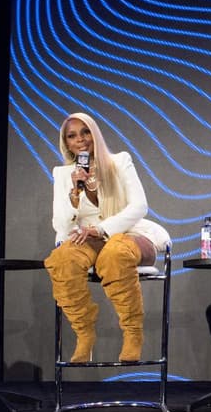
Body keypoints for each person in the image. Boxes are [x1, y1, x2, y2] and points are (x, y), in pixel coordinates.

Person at [43, 113, 170, 363]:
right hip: (88, 238)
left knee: (115, 253)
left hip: (130, 234)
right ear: (66, 143)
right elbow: (61, 224)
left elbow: (139, 206)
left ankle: (133, 333)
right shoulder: (63, 174)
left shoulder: (119, 161)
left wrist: (102, 229)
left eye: (85, 132)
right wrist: (74, 193)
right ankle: (84, 334)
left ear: (95, 134)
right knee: (61, 260)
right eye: (72, 136)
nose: (80, 139)